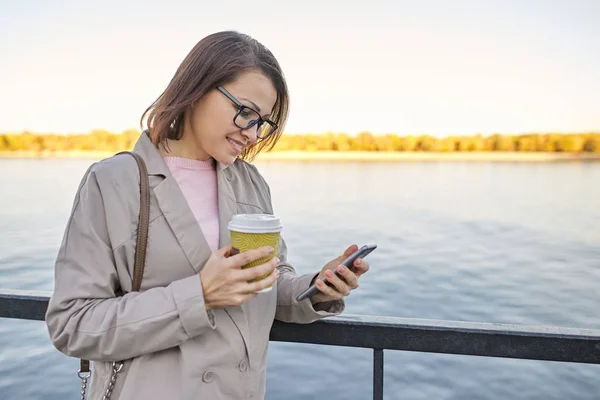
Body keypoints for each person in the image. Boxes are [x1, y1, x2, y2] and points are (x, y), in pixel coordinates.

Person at [45, 30, 370, 400]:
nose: (252, 133)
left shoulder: (250, 183)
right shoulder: (113, 183)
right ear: (198, 88)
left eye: (263, 122)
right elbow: (72, 324)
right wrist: (198, 295)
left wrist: (316, 288)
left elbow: (263, 282)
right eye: (245, 112)